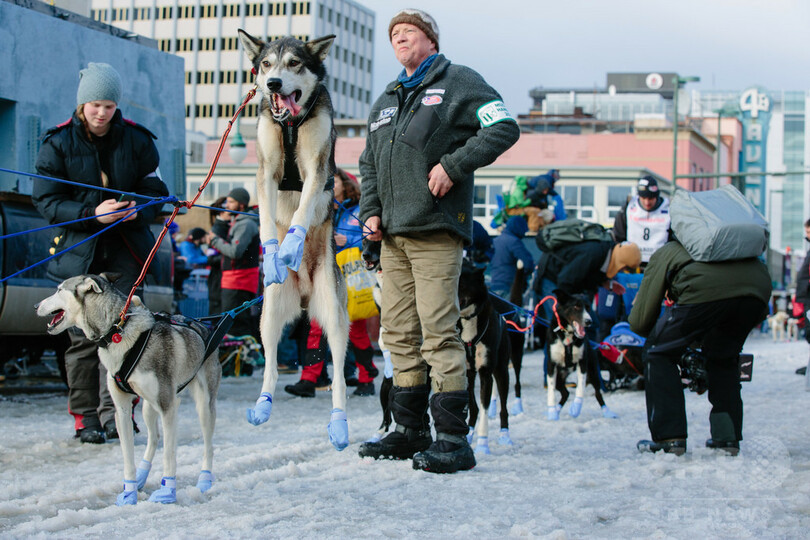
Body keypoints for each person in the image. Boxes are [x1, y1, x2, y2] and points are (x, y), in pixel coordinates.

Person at [357, 9, 520, 474]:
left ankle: (453, 438)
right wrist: (370, 211)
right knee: (398, 334)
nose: (399, 38)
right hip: (392, 237)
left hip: (435, 230)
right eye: (393, 35)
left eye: (408, 31)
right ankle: (410, 431)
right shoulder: (387, 98)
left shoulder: (460, 82)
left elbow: (504, 126)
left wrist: (454, 165)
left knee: (437, 330)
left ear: (430, 39)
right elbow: (369, 163)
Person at [33, 62, 169, 443]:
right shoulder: (56, 143)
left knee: (123, 337)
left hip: (126, 250)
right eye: (95, 104)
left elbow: (156, 192)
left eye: (108, 105)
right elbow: (46, 201)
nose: (101, 112)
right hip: (79, 254)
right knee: (80, 340)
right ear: (82, 104)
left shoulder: (138, 140)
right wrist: (91, 214)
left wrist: (135, 210)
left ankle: (117, 414)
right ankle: (85, 416)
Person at [630, 240, 771, 455]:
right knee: (723, 357)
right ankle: (727, 438)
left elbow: (641, 320)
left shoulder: (670, 250)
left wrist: (657, 335)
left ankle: (670, 438)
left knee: (658, 351)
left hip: (703, 292)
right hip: (757, 293)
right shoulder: (738, 247)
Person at [285, 169, 379, 397]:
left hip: (351, 277)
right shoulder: (323, 210)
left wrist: (350, 240)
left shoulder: (359, 209)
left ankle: (367, 377)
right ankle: (309, 380)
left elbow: (373, 237)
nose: (328, 184)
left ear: (346, 184)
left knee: (355, 330)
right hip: (326, 274)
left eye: (333, 181)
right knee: (317, 326)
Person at [205, 187, 260, 338]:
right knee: (230, 323)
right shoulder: (239, 222)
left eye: (231, 202)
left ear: (241, 205)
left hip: (239, 282)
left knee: (236, 325)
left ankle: (242, 359)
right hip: (233, 281)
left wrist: (215, 240)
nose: (226, 206)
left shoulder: (246, 224)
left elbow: (235, 252)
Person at [612, 176, 670, 265]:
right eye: (643, 198)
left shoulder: (668, 208)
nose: (647, 202)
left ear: (656, 196)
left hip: (659, 263)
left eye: (650, 198)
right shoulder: (628, 207)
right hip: (632, 262)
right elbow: (618, 235)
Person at [489, 216, 534, 300]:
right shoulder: (514, 242)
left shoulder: (495, 241)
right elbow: (528, 264)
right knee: (512, 312)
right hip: (511, 286)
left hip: (494, 285)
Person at [205, 196, 229, 317]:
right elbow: (211, 259)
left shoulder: (224, 227)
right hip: (217, 279)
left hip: (221, 278)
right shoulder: (218, 229)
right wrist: (231, 256)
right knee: (217, 314)